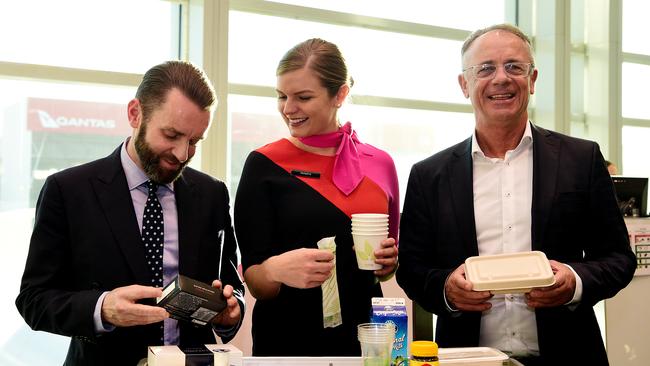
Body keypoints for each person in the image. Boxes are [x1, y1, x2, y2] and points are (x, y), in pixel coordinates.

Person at [396, 24, 636, 366]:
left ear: (532, 79)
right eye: (485, 69)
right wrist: (447, 288)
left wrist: (576, 281)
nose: (501, 79)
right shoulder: (429, 174)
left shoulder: (581, 159)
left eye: (514, 66)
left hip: (568, 354)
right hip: (467, 359)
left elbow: (619, 258)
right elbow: (413, 269)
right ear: (465, 85)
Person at [15, 60, 245, 365]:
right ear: (135, 114)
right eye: (171, 135)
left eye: (194, 141)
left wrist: (230, 312)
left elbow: (230, 285)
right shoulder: (68, 190)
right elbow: (34, 299)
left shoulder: (212, 194)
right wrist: (102, 307)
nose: (182, 154)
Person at [234, 38, 399, 356]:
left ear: (340, 94)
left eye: (303, 97)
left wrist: (388, 264)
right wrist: (274, 270)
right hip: (286, 342)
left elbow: (386, 266)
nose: (288, 108)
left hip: (366, 340)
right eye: (281, 96)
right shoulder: (263, 165)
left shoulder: (382, 165)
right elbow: (255, 281)